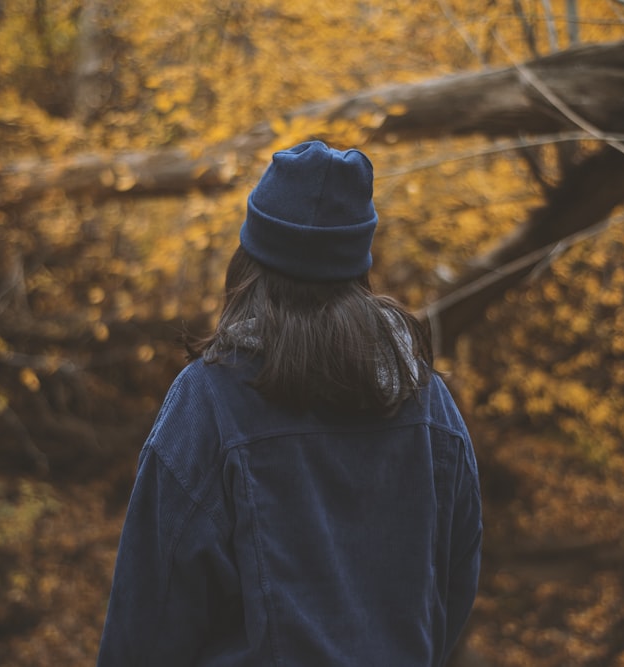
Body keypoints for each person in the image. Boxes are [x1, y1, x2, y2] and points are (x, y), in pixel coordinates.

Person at [96, 140, 482, 666]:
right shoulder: (428, 402)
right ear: (357, 268)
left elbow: (149, 615)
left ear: (248, 263)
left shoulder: (207, 401)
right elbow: (453, 587)